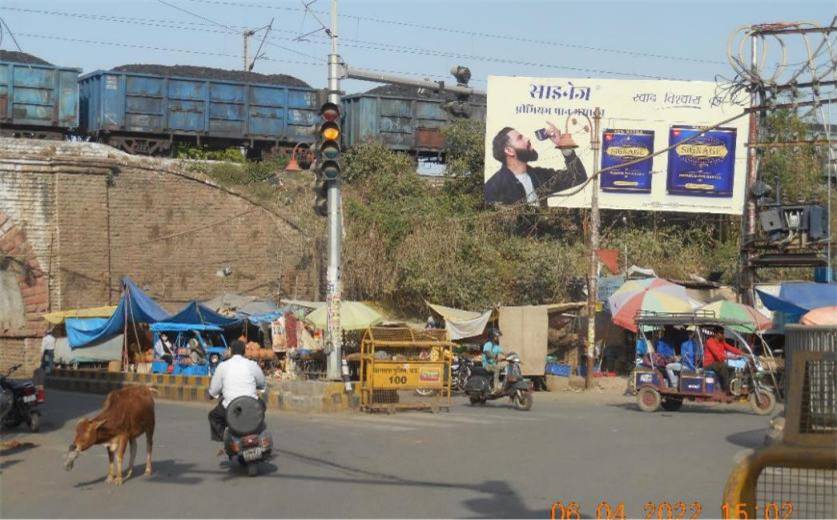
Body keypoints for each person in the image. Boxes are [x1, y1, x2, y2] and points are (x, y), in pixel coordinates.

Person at [484, 124, 588, 206]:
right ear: (509, 151)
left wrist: (563, 146)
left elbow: (578, 177)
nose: (527, 138)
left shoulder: (540, 176)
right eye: (520, 138)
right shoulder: (494, 187)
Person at [207, 339, 266, 444]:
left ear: (230, 351)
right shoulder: (252, 364)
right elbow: (261, 382)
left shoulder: (222, 366)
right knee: (262, 405)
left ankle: (224, 439)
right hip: (252, 405)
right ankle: (258, 431)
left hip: (230, 407)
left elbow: (214, 390)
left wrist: (210, 395)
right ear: (244, 351)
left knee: (213, 416)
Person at [704, 328, 743, 392]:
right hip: (709, 364)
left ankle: (731, 387)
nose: (723, 335)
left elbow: (731, 348)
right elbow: (718, 355)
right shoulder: (710, 342)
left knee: (733, 369)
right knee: (723, 366)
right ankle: (726, 388)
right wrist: (732, 358)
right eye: (721, 333)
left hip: (717, 364)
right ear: (716, 334)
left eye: (723, 333)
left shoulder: (722, 342)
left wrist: (744, 354)